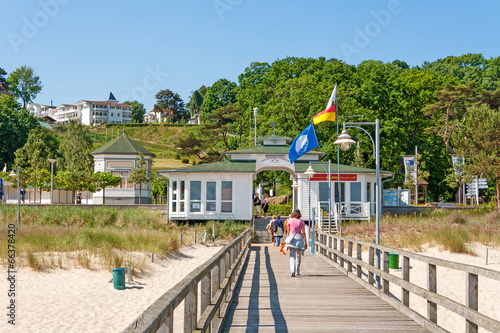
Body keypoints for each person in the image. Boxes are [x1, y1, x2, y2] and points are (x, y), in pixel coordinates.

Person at [286, 209, 307, 277]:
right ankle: (298, 271)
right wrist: (305, 242)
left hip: (292, 239)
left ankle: (293, 270)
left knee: (292, 255)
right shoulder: (302, 222)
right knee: (298, 256)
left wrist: (287, 241)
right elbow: (303, 233)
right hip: (299, 240)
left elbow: (288, 232)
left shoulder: (290, 221)